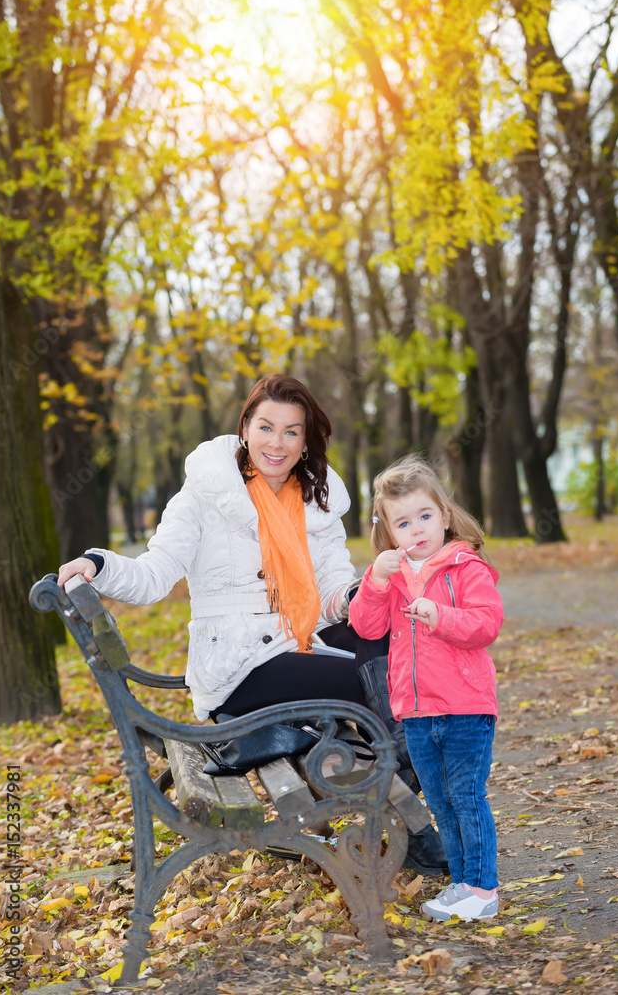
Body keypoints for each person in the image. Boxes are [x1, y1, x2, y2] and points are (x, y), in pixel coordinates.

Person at [56, 374, 446, 873]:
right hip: (238, 667)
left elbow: (332, 593)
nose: (276, 443)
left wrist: (362, 592)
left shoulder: (315, 500)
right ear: (245, 427)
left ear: (306, 441)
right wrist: (98, 563)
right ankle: (412, 816)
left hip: (292, 644)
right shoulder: (203, 496)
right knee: (378, 679)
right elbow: (154, 576)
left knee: (390, 638)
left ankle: (404, 801)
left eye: (291, 432)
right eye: (266, 427)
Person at [348, 455, 504, 921]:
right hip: (415, 712)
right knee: (439, 800)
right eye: (403, 522)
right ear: (389, 533)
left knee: (466, 795)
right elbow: (366, 626)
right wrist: (374, 582)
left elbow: (487, 623)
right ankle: (461, 883)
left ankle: (482, 889)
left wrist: (443, 618)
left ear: (445, 515)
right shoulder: (391, 576)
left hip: (465, 705)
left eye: (425, 516)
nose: (416, 529)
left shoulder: (465, 566)